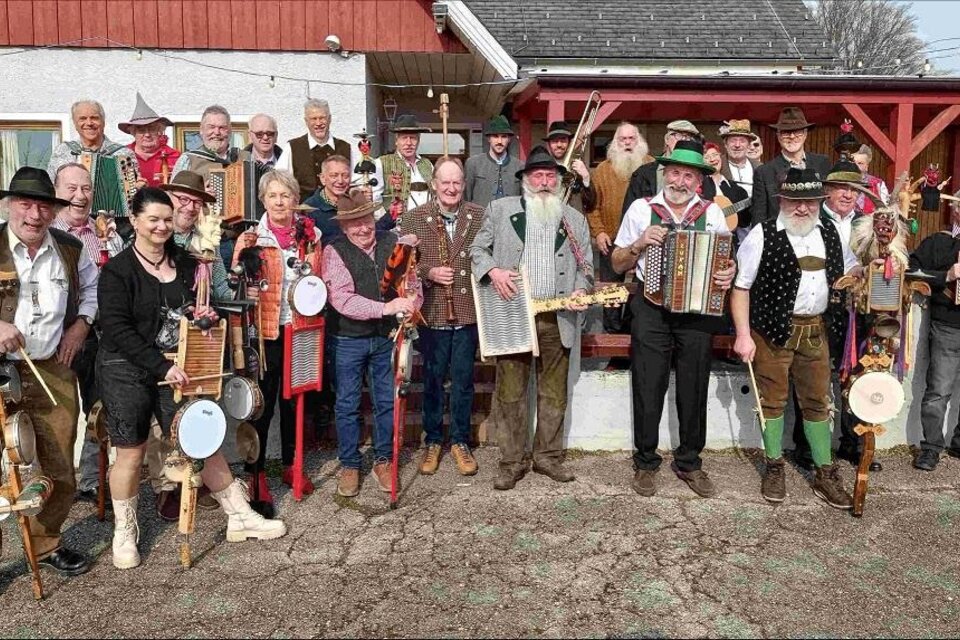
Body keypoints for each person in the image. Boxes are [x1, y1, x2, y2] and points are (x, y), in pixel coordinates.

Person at [98, 187, 286, 569]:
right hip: (126, 369)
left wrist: (207, 316)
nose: (162, 226)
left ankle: (239, 515)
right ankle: (124, 531)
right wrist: (160, 365)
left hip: (178, 365)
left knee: (201, 440)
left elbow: (199, 306)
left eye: (167, 219)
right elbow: (117, 328)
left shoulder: (186, 262)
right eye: (153, 219)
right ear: (134, 221)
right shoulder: (117, 271)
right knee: (131, 452)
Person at [609, 140, 736, 498]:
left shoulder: (711, 213)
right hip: (650, 307)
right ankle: (646, 461)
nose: (680, 182)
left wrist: (729, 271)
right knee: (648, 385)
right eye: (675, 173)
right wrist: (638, 245)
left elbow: (725, 261)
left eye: (689, 176)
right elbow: (617, 263)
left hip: (696, 310)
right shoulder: (640, 209)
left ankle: (689, 462)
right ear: (665, 173)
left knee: (695, 387)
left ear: (699, 182)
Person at [731, 168, 860, 509]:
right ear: (782, 201)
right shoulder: (762, 234)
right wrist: (743, 335)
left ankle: (824, 473)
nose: (802, 209)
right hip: (772, 331)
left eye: (809, 202)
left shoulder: (831, 233)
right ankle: (774, 465)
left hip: (816, 330)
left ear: (820, 202)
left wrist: (875, 265)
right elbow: (741, 287)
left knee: (818, 402)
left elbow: (852, 270)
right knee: (771, 402)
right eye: (794, 201)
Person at [471, 145, 593, 491]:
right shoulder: (500, 210)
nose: (543, 181)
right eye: (537, 175)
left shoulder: (575, 219)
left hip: (558, 316)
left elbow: (586, 268)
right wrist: (493, 270)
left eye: (550, 176)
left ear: (558, 180)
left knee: (554, 393)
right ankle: (512, 461)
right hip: (514, 313)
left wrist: (582, 290)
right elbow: (477, 250)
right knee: (511, 393)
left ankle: (548, 457)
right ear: (524, 180)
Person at [0, 167, 97, 577]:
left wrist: (80, 325)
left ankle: (45, 543)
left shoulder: (71, 248)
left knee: (58, 463)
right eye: (26, 204)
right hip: (3, 370)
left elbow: (93, 290)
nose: (35, 214)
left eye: (44, 206)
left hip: (53, 368)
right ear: (9, 205)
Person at [322, 193, 423, 497]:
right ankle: (351, 463)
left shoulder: (393, 242)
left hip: (385, 338)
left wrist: (412, 304)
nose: (363, 228)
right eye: (354, 223)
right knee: (347, 403)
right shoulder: (334, 251)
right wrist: (387, 308)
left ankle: (383, 460)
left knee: (386, 401)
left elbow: (413, 282)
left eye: (366, 220)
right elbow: (342, 299)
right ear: (343, 227)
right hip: (348, 339)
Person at [232, 170, 319, 510]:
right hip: (266, 331)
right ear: (264, 201)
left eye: (286, 195)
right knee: (262, 404)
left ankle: (290, 464)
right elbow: (237, 280)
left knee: (296, 400)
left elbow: (317, 280)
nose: (280, 202)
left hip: (300, 326)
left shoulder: (310, 235)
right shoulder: (254, 237)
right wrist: (241, 257)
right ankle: (256, 476)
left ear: (296, 200)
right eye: (273, 196)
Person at [399, 157, 485, 476]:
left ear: (463, 185)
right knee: (433, 380)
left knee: (463, 381)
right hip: (432, 311)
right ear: (434, 184)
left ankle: (460, 441)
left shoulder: (478, 215)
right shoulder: (414, 218)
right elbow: (403, 263)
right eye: (444, 182)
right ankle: (433, 440)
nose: (451, 188)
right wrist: (428, 271)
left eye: (456, 183)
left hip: (466, 312)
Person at [52, 163, 122, 505]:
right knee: (57, 416)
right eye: (71, 188)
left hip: (97, 335)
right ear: (56, 191)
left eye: (86, 188)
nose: (80, 196)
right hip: (54, 340)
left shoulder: (105, 233)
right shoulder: (45, 231)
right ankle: (54, 485)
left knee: (99, 410)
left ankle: (94, 481)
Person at [908, 199, 960, 471]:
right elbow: (911, 270)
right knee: (939, 390)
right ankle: (930, 447)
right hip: (948, 325)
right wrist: (947, 276)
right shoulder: (938, 242)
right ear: (956, 211)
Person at [585, 122, 649, 334]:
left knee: (640, 294)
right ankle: (612, 341)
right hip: (611, 241)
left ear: (638, 141)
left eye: (632, 138)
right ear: (615, 142)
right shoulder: (603, 170)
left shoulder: (651, 166)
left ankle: (632, 338)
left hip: (646, 242)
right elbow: (591, 206)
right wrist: (599, 232)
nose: (628, 143)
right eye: (623, 139)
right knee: (611, 296)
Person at [751, 107, 831, 227]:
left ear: (805, 134)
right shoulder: (764, 172)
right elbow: (759, 218)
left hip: (817, 236)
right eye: (786, 132)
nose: (792, 136)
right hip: (780, 240)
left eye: (797, 131)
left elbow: (829, 204)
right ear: (778, 135)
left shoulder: (822, 163)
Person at [160, 171, 232, 301]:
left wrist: (243, 293)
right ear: (169, 198)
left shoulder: (207, 239)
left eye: (197, 202)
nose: (190, 207)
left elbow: (220, 288)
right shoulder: (157, 235)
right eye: (183, 199)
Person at [303, 155, 393, 243]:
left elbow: (368, 233)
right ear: (323, 178)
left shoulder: (355, 201)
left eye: (345, 176)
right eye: (334, 176)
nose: (340, 181)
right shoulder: (309, 209)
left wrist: (391, 215)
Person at [276, 99, 352, 201]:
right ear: (306, 121)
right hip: (304, 213)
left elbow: (355, 183)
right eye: (313, 119)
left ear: (330, 119)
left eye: (322, 118)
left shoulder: (345, 148)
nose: (318, 123)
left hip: (340, 212)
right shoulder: (293, 147)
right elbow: (280, 182)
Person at [621, 120, 701, 213]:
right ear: (667, 139)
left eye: (687, 137)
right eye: (678, 135)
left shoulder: (700, 175)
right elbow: (629, 215)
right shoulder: (643, 174)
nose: (683, 141)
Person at [48, 100, 137, 178]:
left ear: (103, 122)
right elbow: (50, 188)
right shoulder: (62, 151)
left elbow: (133, 193)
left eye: (94, 118)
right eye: (82, 118)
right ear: (75, 124)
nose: (89, 123)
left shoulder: (123, 154)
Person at [368, 115, 434, 217]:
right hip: (397, 227)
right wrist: (386, 220)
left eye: (413, 138)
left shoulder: (427, 164)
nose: (408, 143)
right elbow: (374, 199)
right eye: (404, 138)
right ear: (396, 141)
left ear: (418, 141)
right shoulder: (381, 163)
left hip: (426, 224)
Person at [171, 105, 251, 179]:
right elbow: (173, 193)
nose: (217, 132)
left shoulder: (247, 158)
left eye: (222, 127)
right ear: (201, 129)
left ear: (230, 130)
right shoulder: (187, 159)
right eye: (211, 127)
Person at [119, 93, 180, 187]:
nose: (147, 134)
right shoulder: (121, 156)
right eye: (141, 130)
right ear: (133, 132)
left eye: (152, 129)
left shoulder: (175, 157)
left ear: (160, 131)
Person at [464, 115, 522, 208]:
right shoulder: (473, 164)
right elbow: (466, 199)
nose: (499, 141)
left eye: (504, 137)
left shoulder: (519, 166)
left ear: (509, 139)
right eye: (495, 136)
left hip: (510, 220)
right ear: (489, 139)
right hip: (480, 220)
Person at [542, 120, 596, 214]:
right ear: (549, 144)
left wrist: (586, 178)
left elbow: (591, 205)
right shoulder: (541, 167)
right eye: (555, 141)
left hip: (574, 223)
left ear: (569, 142)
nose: (559, 145)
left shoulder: (578, 167)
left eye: (563, 140)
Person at [852, 144, 891, 214]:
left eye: (860, 163)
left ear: (867, 166)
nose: (855, 166)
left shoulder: (878, 185)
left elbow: (885, 211)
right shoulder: (838, 182)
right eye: (852, 162)